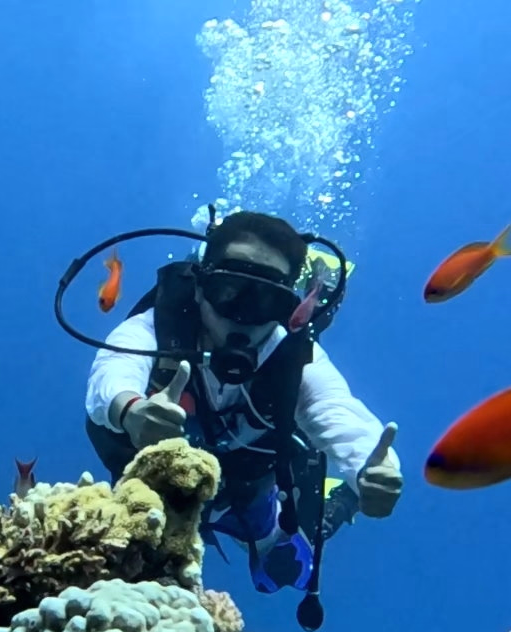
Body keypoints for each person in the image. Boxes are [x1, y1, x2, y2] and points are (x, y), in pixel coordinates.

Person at [82, 210, 403, 595]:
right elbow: (114, 369)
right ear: (201, 286)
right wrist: (131, 409)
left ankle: (324, 505)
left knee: (281, 565)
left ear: (287, 308)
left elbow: (336, 410)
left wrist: (371, 467)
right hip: (159, 493)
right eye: (230, 290)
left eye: (267, 299)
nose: (244, 316)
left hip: (249, 491)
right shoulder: (155, 328)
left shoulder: (295, 357)